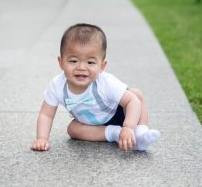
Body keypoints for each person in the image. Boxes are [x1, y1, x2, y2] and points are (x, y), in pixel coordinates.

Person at [32, 23, 161, 153]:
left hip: (121, 113)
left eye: (90, 62)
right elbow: (46, 114)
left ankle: (140, 133)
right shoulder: (57, 85)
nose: (81, 67)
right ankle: (115, 133)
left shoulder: (105, 82)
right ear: (61, 62)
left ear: (102, 66)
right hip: (93, 126)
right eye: (73, 61)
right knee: (73, 129)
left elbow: (132, 102)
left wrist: (128, 127)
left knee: (135, 94)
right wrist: (42, 138)